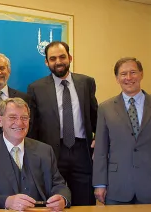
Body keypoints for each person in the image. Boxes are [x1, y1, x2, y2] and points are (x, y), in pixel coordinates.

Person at [93, 57, 151, 205]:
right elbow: (101, 150)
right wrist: (99, 184)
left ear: (141, 74)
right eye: (123, 74)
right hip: (117, 187)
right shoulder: (105, 108)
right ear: (117, 78)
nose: (128, 78)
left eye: (133, 72)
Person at [27, 41, 98, 205]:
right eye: (52, 58)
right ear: (46, 62)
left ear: (70, 58)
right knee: (54, 201)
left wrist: (99, 138)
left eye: (62, 57)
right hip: (51, 152)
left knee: (84, 201)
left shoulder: (86, 83)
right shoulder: (36, 88)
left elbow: (95, 115)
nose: (58, 62)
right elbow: (33, 127)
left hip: (82, 151)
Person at [0, 98, 70, 212]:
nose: (19, 123)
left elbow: (59, 185)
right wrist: (7, 201)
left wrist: (62, 198)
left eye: (24, 118)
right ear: (0, 121)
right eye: (12, 117)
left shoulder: (45, 150)